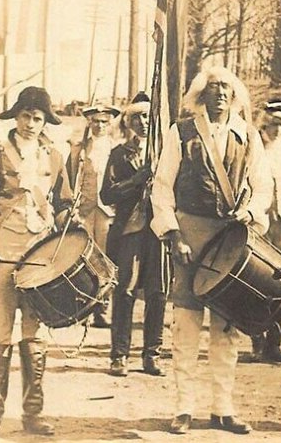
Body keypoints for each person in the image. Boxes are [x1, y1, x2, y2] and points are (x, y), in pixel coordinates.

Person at [150, 66, 273, 435]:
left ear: (235, 96)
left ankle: (223, 408)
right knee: (186, 327)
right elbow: (161, 186)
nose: (220, 94)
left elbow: (263, 187)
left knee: (226, 328)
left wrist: (249, 212)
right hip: (190, 237)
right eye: (213, 87)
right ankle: (183, 408)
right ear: (200, 94)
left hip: (230, 244)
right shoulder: (182, 132)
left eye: (226, 88)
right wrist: (174, 235)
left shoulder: (248, 136)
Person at [0, 86, 73, 437]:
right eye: (24, 116)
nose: (30, 123)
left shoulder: (54, 157)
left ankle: (32, 414)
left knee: (34, 333)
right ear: (15, 117)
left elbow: (65, 201)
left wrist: (68, 221)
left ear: (45, 123)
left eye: (37, 118)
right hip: (3, 256)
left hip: (40, 259)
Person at [101, 99, 167, 377]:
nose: (142, 122)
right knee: (125, 290)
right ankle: (119, 355)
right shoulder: (119, 154)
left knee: (158, 291)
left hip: (161, 229)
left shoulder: (167, 153)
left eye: (147, 117)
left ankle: (152, 354)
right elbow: (107, 194)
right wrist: (136, 181)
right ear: (128, 122)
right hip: (130, 230)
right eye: (136, 117)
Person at [249, 99, 281, 362]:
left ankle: (275, 343)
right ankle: (256, 340)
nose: (278, 128)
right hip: (257, 220)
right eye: (274, 123)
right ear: (266, 121)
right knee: (255, 279)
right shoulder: (254, 144)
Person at [66, 104, 120, 329]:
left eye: (104, 122)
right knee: (83, 259)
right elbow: (69, 180)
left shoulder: (116, 149)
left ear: (110, 124)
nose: (99, 125)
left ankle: (102, 309)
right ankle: (83, 309)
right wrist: (72, 208)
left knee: (105, 260)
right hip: (84, 211)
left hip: (108, 212)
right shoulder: (79, 150)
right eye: (95, 121)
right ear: (89, 122)